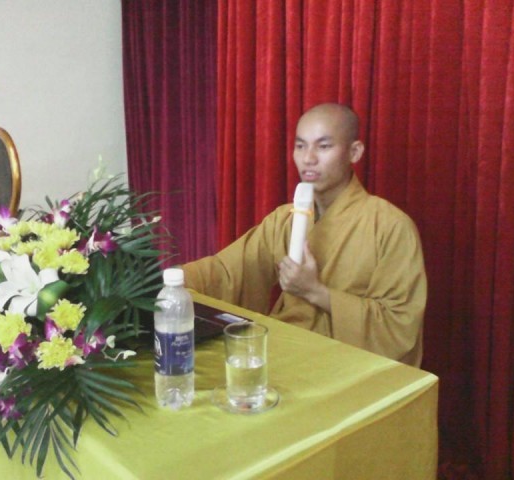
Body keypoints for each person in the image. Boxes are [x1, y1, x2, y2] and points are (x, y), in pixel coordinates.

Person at [182, 103, 427, 367]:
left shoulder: (390, 226)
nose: (308, 158)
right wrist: (168, 284)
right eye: (300, 146)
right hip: (284, 348)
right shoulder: (285, 219)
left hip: (348, 364)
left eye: (323, 146)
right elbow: (226, 272)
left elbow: (399, 324)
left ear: (354, 152)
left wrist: (316, 292)